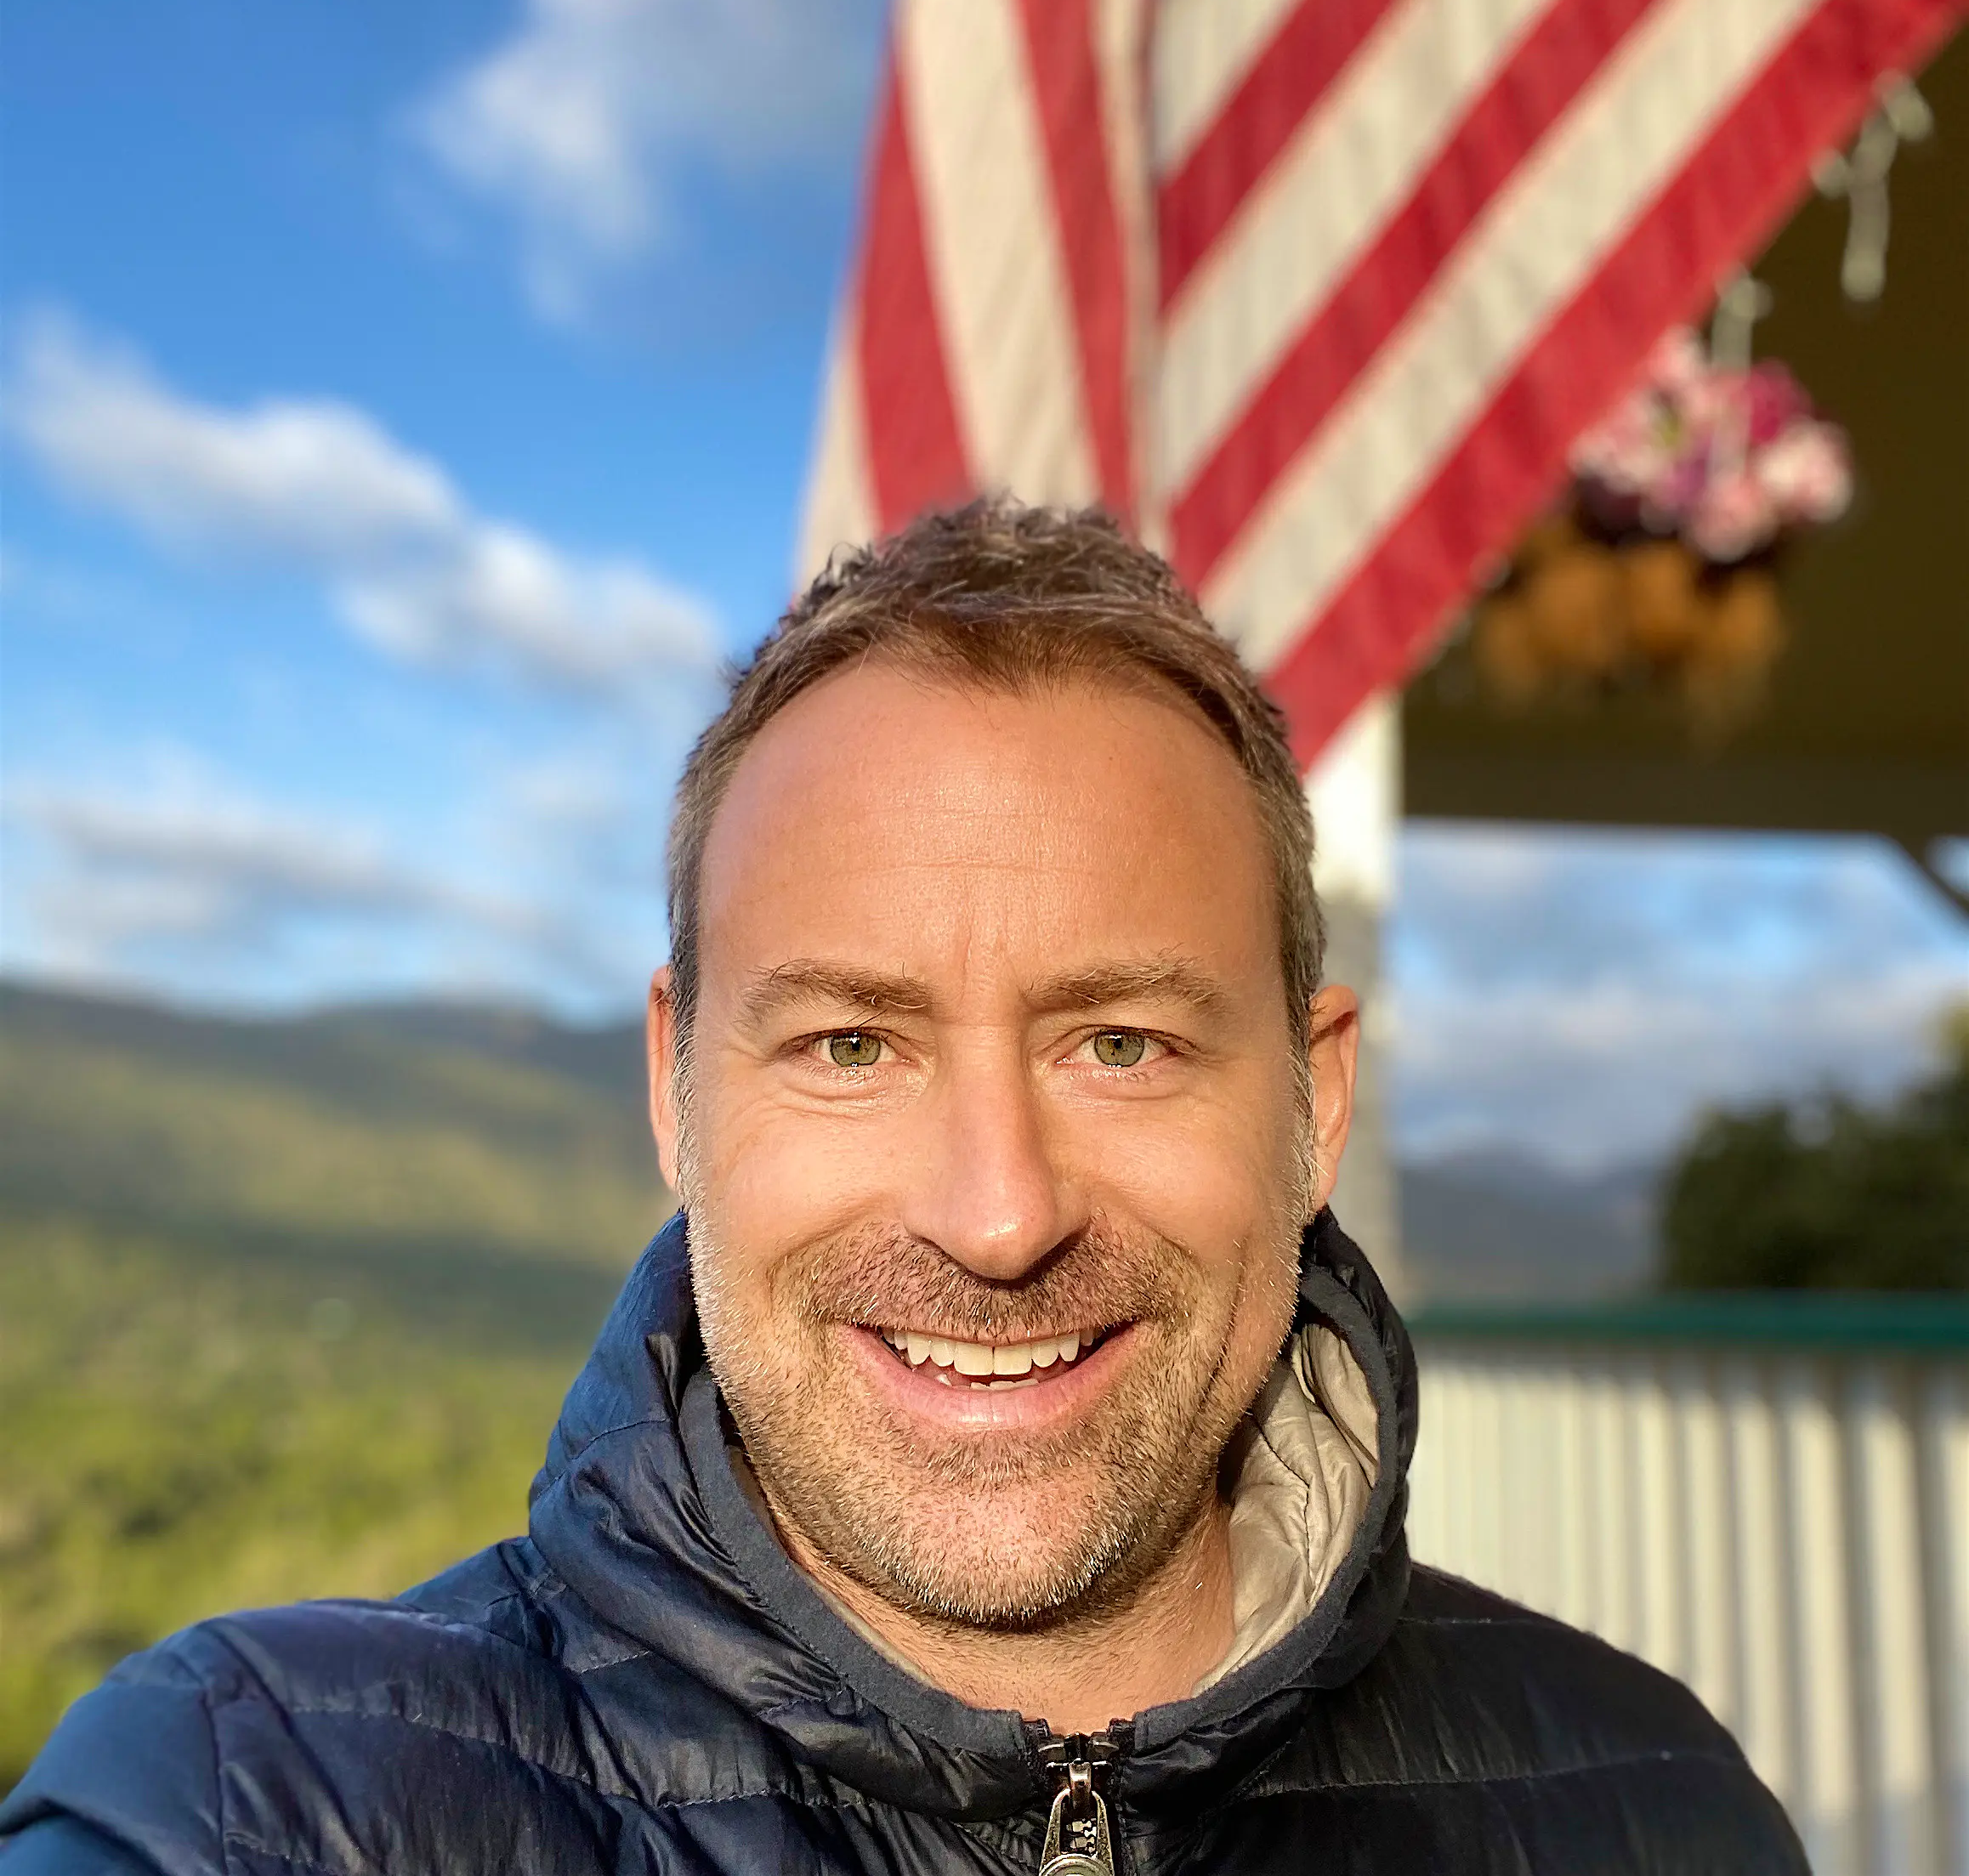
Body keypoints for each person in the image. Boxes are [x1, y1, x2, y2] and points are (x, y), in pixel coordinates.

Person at [1, 501, 1803, 1873]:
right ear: (676, 1089)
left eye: (1121, 1043)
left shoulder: (1653, 1804)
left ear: (1313, 1099)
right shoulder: (254, 1805)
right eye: (852, 1044)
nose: (998, 1217)